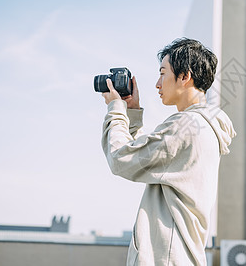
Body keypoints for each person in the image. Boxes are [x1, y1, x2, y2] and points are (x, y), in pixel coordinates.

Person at [101, 38, 236, 265]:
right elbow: (148, 157)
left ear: (185, 76)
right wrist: (132, 112)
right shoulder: (202, 126)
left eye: (163, 73)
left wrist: (115, 109)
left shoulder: (186, 127)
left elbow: (121, 158)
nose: (157, 83)